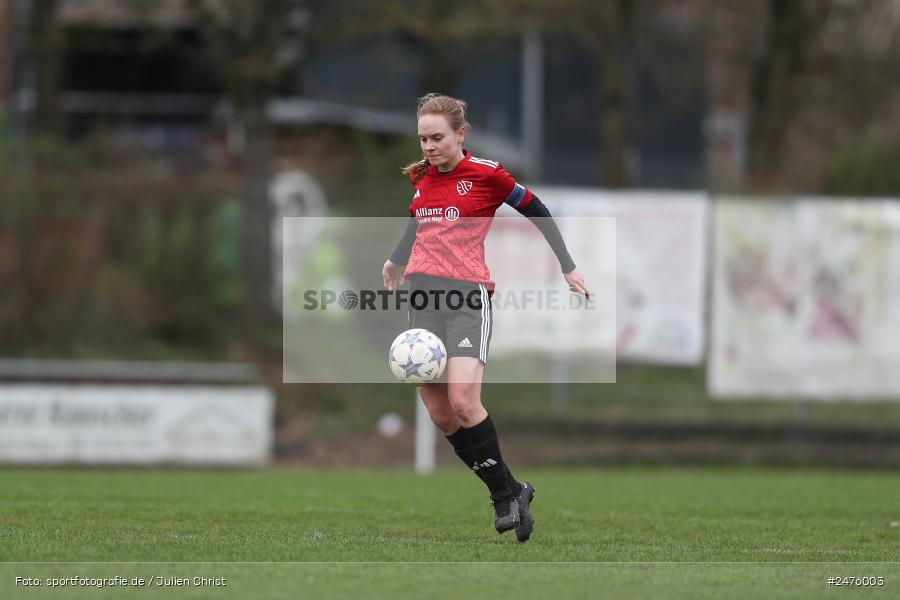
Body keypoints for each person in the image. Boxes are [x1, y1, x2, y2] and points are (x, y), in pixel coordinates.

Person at [383, 93, 589, 543]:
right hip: (422, 299)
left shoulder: (487, 174)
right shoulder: (422, 178)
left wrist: (567, 265)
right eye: (423, 139)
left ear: (460, 134)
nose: (429, 147)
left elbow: (536, 208)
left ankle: (501, 497)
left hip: (466, 297)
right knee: (441, 414)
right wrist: (397, 260)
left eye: (437, 138)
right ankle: (514, 490)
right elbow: (417, 220)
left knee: (463, 401)